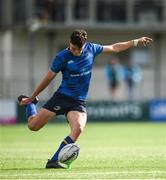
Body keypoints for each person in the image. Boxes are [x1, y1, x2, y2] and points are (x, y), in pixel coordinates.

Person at [18, 29, 152, 169]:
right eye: (73, 49)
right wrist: (32, 97)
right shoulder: (62, 57)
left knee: (78, 129)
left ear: (84, 45)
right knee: (33, 126)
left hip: (78, 102)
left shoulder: (91, 49)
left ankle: (53, 161)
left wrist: (135, 42)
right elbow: (48, 79)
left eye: (78, 49)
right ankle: (31, 104)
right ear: (70, 43)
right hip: (62, 97)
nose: (75, 52)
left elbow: (115, 47)